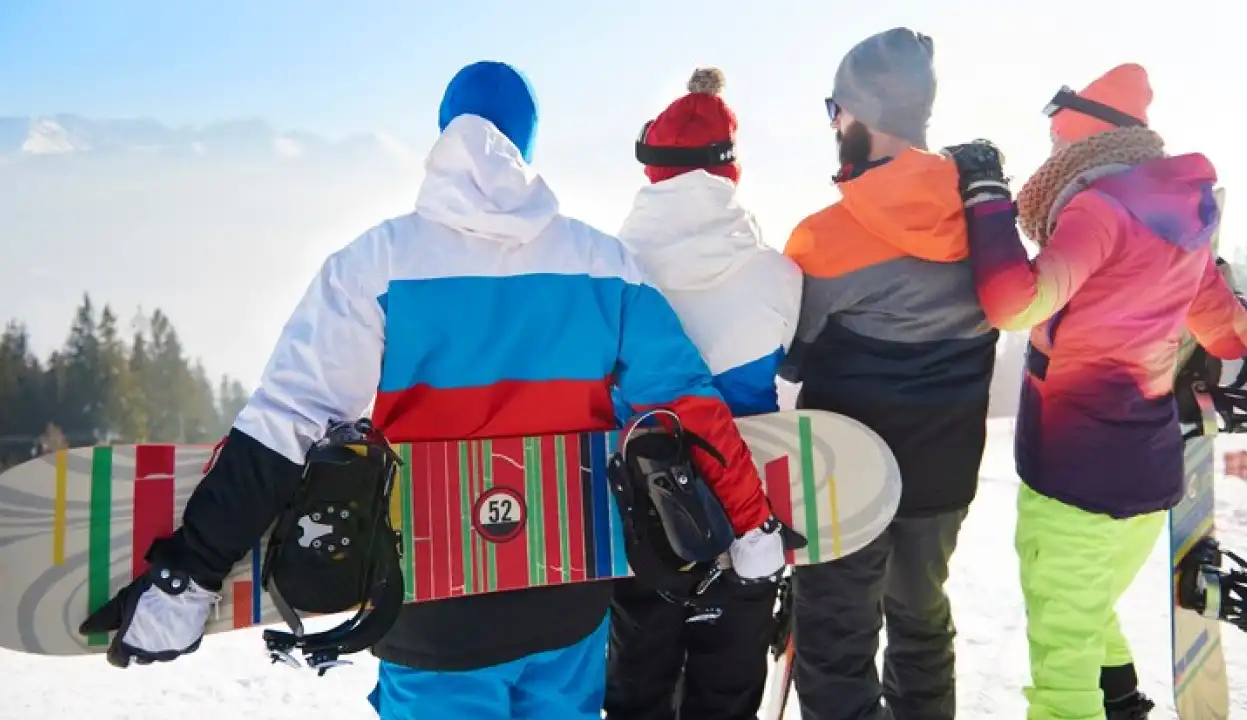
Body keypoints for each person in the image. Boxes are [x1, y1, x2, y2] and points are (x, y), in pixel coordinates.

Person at [77, 60, 790, 720]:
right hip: (569, 607)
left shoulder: (377, 265)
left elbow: (282, 425)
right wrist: (752, 525)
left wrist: (191, 576)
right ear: (529, 143)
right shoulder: (606, 265)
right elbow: (686, 404)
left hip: (433, 608)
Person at [947, 63, 1247, 720]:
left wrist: (986, 197)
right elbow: (1227, 334)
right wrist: (1235, 309)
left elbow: (1015, 302)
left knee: (1062, 667)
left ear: (1087, 141)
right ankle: (1122, 701)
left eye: (1060, 144)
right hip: (1144, 480)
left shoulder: (1098, 208)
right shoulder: (1182, 218)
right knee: (1088, 612)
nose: (1054, 156)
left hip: (1073, 476)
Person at [777, 28, 999, 720]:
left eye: (833, 110)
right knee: (920, 616)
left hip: (844, 480)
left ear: (856, 117)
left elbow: (792, 358)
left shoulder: (823, 236)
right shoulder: (984, 221)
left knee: (837, 638)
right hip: (946, 472)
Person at [603, 67, 803, 720]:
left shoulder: (608, 274)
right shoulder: (779, 276)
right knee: (727, 698)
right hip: (750, 519)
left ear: (651, 171)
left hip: (637, 521)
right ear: (731, 172)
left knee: (636, 696)